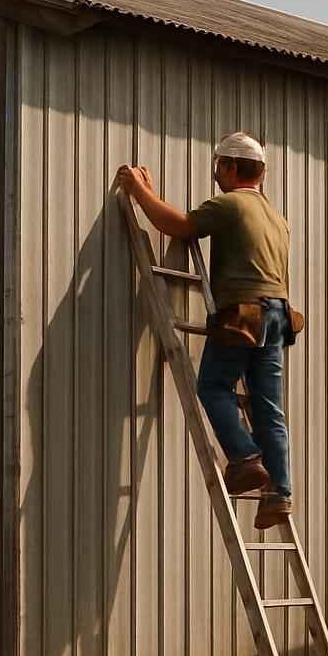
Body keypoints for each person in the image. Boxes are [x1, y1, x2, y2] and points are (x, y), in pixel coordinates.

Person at [114, 132, 297, 530]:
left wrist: (141, 190)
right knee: (269, 407)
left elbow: (178, 225)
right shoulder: (276, 218)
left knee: (213, 387)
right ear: (262, 172)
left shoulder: (231, 204)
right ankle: (279, 492)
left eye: (219, 167)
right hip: (279, 313)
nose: (217, 174)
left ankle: (246, 459)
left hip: (243, 311)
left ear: (231, 167)